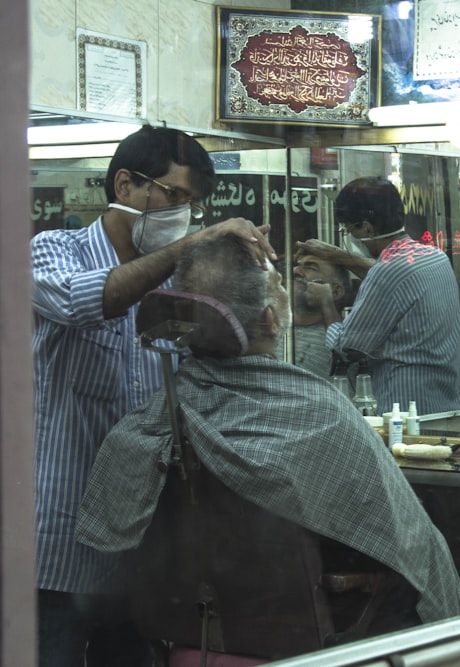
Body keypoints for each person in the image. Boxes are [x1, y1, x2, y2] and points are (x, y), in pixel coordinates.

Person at [75, 235, 460, 629]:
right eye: (280, 282)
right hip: (298, 627)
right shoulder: (319, 412)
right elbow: (402, 540)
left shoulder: (158, 417)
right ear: (271, 320)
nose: (289, 285)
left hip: (186, 622)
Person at [31, 124, 275, 667]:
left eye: (193, 204)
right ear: (125, 185)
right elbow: (89, 301)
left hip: (138, 551)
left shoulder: (177, 287)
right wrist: (194, 245)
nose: (183, 213)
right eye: (174, 196)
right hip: (52, 548)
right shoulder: (52, 253)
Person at [295, 177, 460, 415]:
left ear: (366, 228)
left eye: (349, 229)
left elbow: (347, 347)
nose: (349, 235)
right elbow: (394, 275)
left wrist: (326, 303)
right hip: (446, 403)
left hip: (405, 411)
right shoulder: (435, 258)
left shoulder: (387, 271)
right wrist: (338, 255)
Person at [290, 251, 352, 381]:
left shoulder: (346, 341)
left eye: (310, 267)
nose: (295, 270)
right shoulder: (271, 330)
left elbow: (345, 351)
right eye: (297, 265)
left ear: (335, 291)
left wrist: (326, 302)